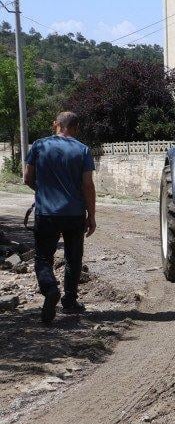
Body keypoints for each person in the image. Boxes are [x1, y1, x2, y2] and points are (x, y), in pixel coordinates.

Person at [23, 111, 96, 325]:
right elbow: (88, 186)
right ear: (76, 128)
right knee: (73, 259)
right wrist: (91, 215)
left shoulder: (39, 145)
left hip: (46, 213)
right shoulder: (83, 150)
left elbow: (27, 178)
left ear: (56, 125)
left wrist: (42, 191)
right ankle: (70, 302)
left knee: (43, 258)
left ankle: (50, 289)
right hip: (74, 214)